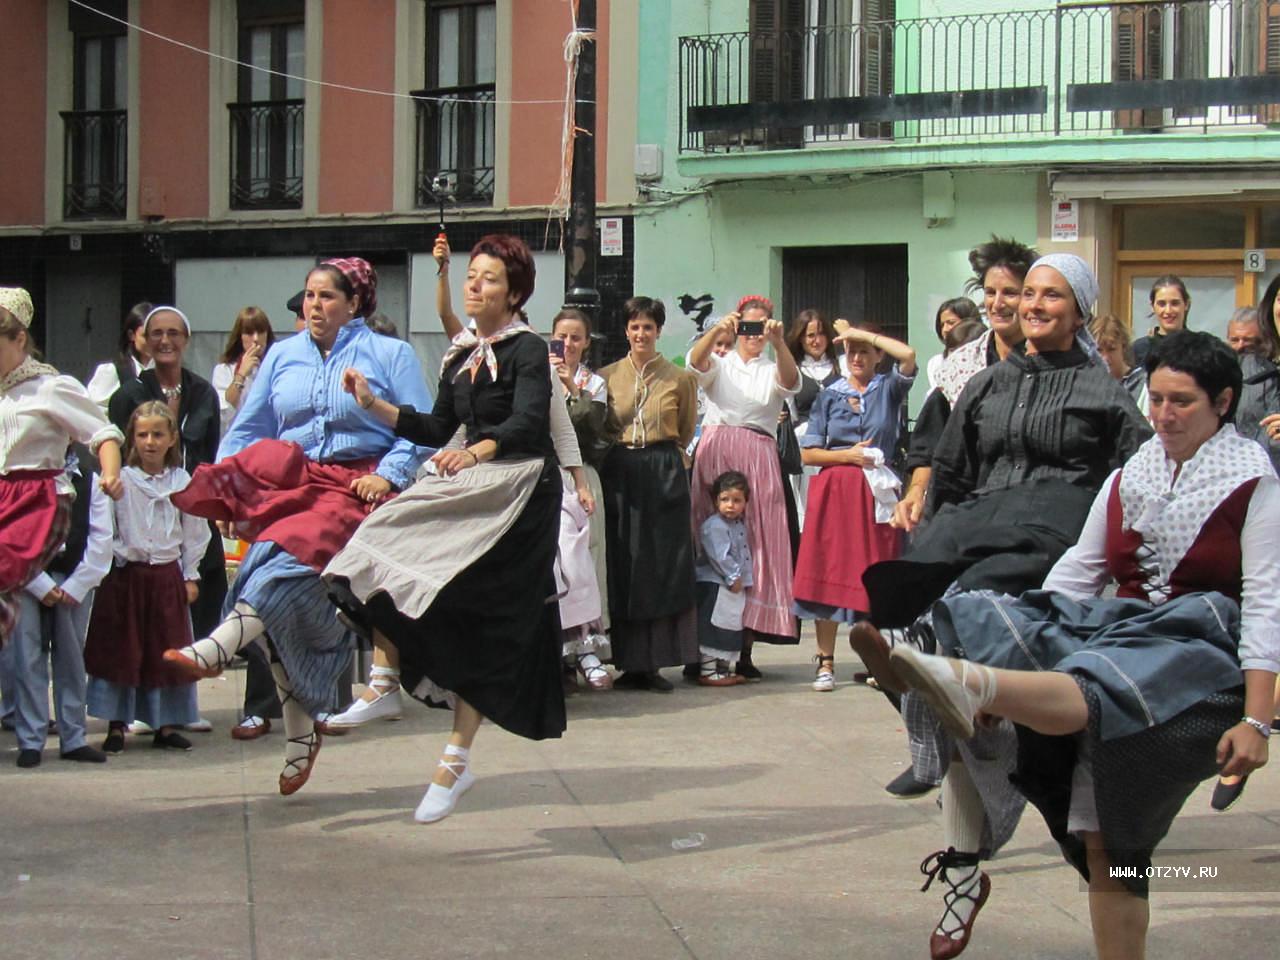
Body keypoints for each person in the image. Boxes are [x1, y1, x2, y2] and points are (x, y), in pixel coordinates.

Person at [890, 331, 1277, 960]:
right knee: (1108, 851)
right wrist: (1027, 635)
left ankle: (975, 683)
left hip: (1195, 648)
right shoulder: (1131, 474)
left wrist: (1257, 719)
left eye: (1182, 401)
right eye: (1155, 399)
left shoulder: (1254, 484)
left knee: (1099, 705)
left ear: (1224, 402)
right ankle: (978, 676)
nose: (1163, 414)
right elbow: (1077, 570)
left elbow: (1266, 603)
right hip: (1118, 632)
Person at [851, 255, 1152, 958]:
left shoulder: (1103, 392)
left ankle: (930, 713)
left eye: (1053, 296)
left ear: (1079, 310)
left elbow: (1137, 479)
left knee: (961, 618)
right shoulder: (984, 383)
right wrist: (933, 527)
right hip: (979, 516)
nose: (1037, 305)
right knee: (897, 591)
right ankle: (926, 698)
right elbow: (952, 473)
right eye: (1032, 295)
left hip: (1052, 525)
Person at [164, 257, 434, 795]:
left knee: (287, 559)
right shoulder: (283, 356)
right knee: (266, 585)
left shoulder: (390, 353)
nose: (315, 306)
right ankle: (299, 736)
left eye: (327, 296)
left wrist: (389, 474)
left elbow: (422, 427)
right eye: (309, 296)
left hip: (354, 487)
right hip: (291, 486)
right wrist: (232, 491)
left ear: (354, 303)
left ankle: (214, 649)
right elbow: (249, 428)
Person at [324, 234, 563, 823]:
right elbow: (434, 426)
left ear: (514, 293)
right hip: (474, 485)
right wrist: (372, 404)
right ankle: (382, 681)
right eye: (471, 275)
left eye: (487, 278)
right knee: (379, 540)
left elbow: (531, 422)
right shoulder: (461, 354)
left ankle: (454, 762)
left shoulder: (528, 349)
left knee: (487, 629)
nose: (473, 284)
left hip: (520, 494)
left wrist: (477, 451)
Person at [873, 237, 1037, 800]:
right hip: (960, 507)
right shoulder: (962, 363)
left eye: (1010, 292)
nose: (999, 302)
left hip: (1028, 519)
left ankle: (990, 765)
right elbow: (929, 444)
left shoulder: (1062, 362)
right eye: (990, 292)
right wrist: (917, 492)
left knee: (977, 648)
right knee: (908, 624)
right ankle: (929, 751)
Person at [0, 287, 123, 650]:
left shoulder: (50, 388)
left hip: (36, 502)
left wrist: (112, 474)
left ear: (19, 338)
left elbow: (102, 433)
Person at [794, 323, 915, 693]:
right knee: (828, 567)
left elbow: (908, 357)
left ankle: (877, 659)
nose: (857, 358)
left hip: (877, 491)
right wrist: (846, 455)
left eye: (864, 351)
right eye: (851, 352)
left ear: (877, 354)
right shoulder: (831, 394)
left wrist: (861, 334)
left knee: (877, 572)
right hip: (837, 489)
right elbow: (808, 450)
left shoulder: (888, 388)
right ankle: (825, 661)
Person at [85, 402, 210, 753]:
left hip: (166, 576)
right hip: (127, 576)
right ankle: (115, 723)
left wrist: (191, 574)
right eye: (142, 435)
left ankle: (165, 724)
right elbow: (106, 528)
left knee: (165, 648)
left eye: (158, 434)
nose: (150, 442)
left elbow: (196, 531)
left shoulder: (182, 481)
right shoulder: (121, 480)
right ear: (131, 439)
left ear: (172, 438)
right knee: (122, 649)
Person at [688, 296, 801, 670]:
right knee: (711, 539)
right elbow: (694, 363)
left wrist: (780, 341)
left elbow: (790, 383)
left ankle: (744, 648)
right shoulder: (721, 364)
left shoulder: (772, 366)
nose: (754, 333)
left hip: (759, 451)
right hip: (718, 448)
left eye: (762, 325)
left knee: (758, 543)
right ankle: (702, 645)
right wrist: (717, 330)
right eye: (748, 326)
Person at [108, 307, 225, 655]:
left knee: (204, 591)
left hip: (192, 507)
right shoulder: (129, 394)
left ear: (186, 339)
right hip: (144, 509)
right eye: (156, 333)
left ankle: (187, 687)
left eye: (173, 333)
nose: (165, 340)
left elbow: (211, 452)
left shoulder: (203, 392)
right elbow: (116, 448)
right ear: (143, 338)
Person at [599, 297, 699, 692]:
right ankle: (626, 661)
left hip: (663, 469)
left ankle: (655, 662)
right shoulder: (606, 376)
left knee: (660, 564)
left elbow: (687, 429)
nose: (641, 333)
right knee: (625, 560)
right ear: (626, 330)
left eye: (648, 327)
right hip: (620, 469)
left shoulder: (679, 379)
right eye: (634, 326)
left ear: (659, 331)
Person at [9, 443, 112, 768]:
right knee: (27, 657)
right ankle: (30, 738)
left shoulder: (90, 473)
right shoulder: (18, 473)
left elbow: (101, 535)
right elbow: (9, 532)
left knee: (70, 658)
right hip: (28, 575)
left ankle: (74, 736)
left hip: (73, 579)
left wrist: (76, 585)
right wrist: (37, 582)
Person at [783, 309, 845, 530]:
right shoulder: (793, 370)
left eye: (820, 334)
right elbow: (789, 413)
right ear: (800, 338)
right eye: (810, 335)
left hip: (839, 444)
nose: (816, 340)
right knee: (808, 508)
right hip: (806, 445)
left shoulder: (842, 366)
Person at [694, 471, 753, 686]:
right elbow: (720, 555)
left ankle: (723, 670)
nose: (730, 505)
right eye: (725, 499)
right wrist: (733, 576)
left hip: (733, 587)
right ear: (715, 500)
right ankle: (708, 671)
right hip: (717, 585)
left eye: (737, 500)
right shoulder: (714, 526)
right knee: (714, 627)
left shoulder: (738, 525)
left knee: (730, 626)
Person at [211, 306, 276, 435]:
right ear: (240, 337)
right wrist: (241, 374)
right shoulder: (224, 370)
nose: (256, 338)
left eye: (261, 331)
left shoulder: (277, 366)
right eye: (249, 333)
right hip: (237, 442)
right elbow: (224, 414)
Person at [84, 301, 153, 408]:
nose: (152, 341)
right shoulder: (114, 372)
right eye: (145, 336)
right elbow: (95, 411)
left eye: (157, 334)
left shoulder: (171, 372)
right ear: (131, 335)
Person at [1131, 275, 1190, 368]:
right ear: (1152, 306)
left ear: (1186, 304)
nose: (1168, 311)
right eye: (1161, 304)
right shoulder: (1139, 349)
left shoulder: (1200, 348)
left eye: (1175, 303)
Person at [1089, 314, 1146, 409]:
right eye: (1099, 350)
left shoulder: (1142, 385)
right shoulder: (1087, 385)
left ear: (1123, 347)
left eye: (1111, 349)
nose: (1105, 358)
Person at [926, 297, 981, 390]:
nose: (945, 329)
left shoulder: (984, 356)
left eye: (951, 323)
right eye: (942, 325)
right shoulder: (936, 363)